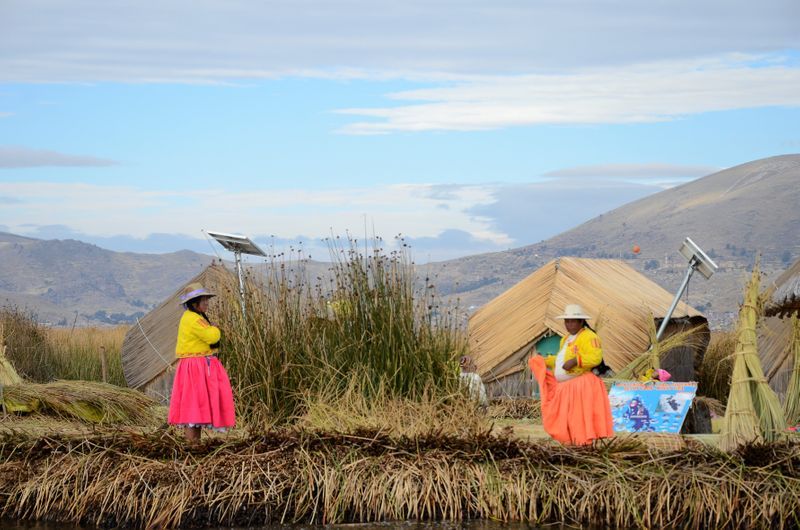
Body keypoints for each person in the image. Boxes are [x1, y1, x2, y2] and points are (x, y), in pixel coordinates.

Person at [527, 304, 613, 445]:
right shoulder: (565, 339)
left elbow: (595, 357)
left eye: (573, 321)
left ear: (581, 322)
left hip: (581, 384)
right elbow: (561, 360)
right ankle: (572, 442)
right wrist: (544, 361)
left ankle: (582, 443)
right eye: (567, 321)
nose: (569, 324)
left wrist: (576, 361)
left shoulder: (589, 337)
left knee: (578, 416)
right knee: (567, 416)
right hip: (568, 387)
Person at [168, 282, 236, 442]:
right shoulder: (193, 319)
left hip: (197, 366)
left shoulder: (195, 317)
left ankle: (194, 445)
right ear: (194, 303)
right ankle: (192, 446)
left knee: (197, 407)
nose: (207, 303)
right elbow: (212, 336)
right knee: (193, 406)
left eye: (207, 299)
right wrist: (215, 329)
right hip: (194, 368)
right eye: (203, 300)